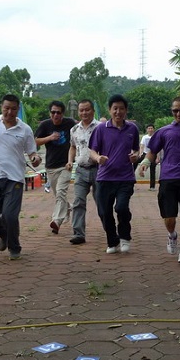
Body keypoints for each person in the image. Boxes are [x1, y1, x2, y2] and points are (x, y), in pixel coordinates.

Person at [140, 96, 180, 264]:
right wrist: (145, 163)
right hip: (168, 178)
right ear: (172, 111)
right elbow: (152, 151)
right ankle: (172, 235)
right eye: (175, 110)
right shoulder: (163, 131)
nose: (178, 113)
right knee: (169, 218)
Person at [0, 94, 41, 260]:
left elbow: (32, 153)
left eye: (13, 108)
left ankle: (14, 247)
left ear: (18, 109)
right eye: (6, 108)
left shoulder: (25, 129)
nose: (9, 112)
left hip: (14, 178)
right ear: (1, 107)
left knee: (10, 215)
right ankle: (4, 236)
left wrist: (35, 159)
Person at [89, 94, 140, 253]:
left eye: (122, 108)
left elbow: (136, 149)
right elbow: (92, 151)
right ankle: (112, 241)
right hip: (105, 178)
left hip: (125, 177)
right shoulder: (101, 129)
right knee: (104, 211)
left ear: (126, 111)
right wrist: (98, 158)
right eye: (115, 108)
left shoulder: (132, 128)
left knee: (121, 207)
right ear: (110, 110)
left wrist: (136, 156)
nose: (118, 112)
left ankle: (125, 237)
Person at [35, 101, 76, 234]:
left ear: (63, 114)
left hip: (66, 165)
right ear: (50, 113)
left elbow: (82, 126)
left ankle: (56, 221)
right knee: (58, 194)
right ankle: (68, 208)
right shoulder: (45, 125)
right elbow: (35, 141)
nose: (55, 115)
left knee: (61, 192)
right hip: (51, 166)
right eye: (53, 112)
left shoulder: (70, 123)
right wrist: (50, 137)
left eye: (58, 112)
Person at [66, 99, 101, 245]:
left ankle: (110, 230)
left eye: (87, 110)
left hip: (99, 170)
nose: (84, 113)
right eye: (81, 110)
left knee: (102, 202)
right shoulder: (74, 130)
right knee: (78, 201)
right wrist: (70, 160)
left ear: (93, 110)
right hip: (80, 170)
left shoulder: (102, 127)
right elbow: (73, 147)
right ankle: (78, 233)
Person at [139, 124, 159, 190]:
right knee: (135, 162)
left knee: (152, 170)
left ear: (153, 129)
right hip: (145, 154)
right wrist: (140, 153)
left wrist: (157, 157)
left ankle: (152, 186)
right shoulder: (144, 137)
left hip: (153, 154)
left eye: (151, 128)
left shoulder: (156, 137)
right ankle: (131, 180)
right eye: (149, 128)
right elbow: (142, 146)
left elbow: (159, 148)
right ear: (147, 129)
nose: (150, 130)